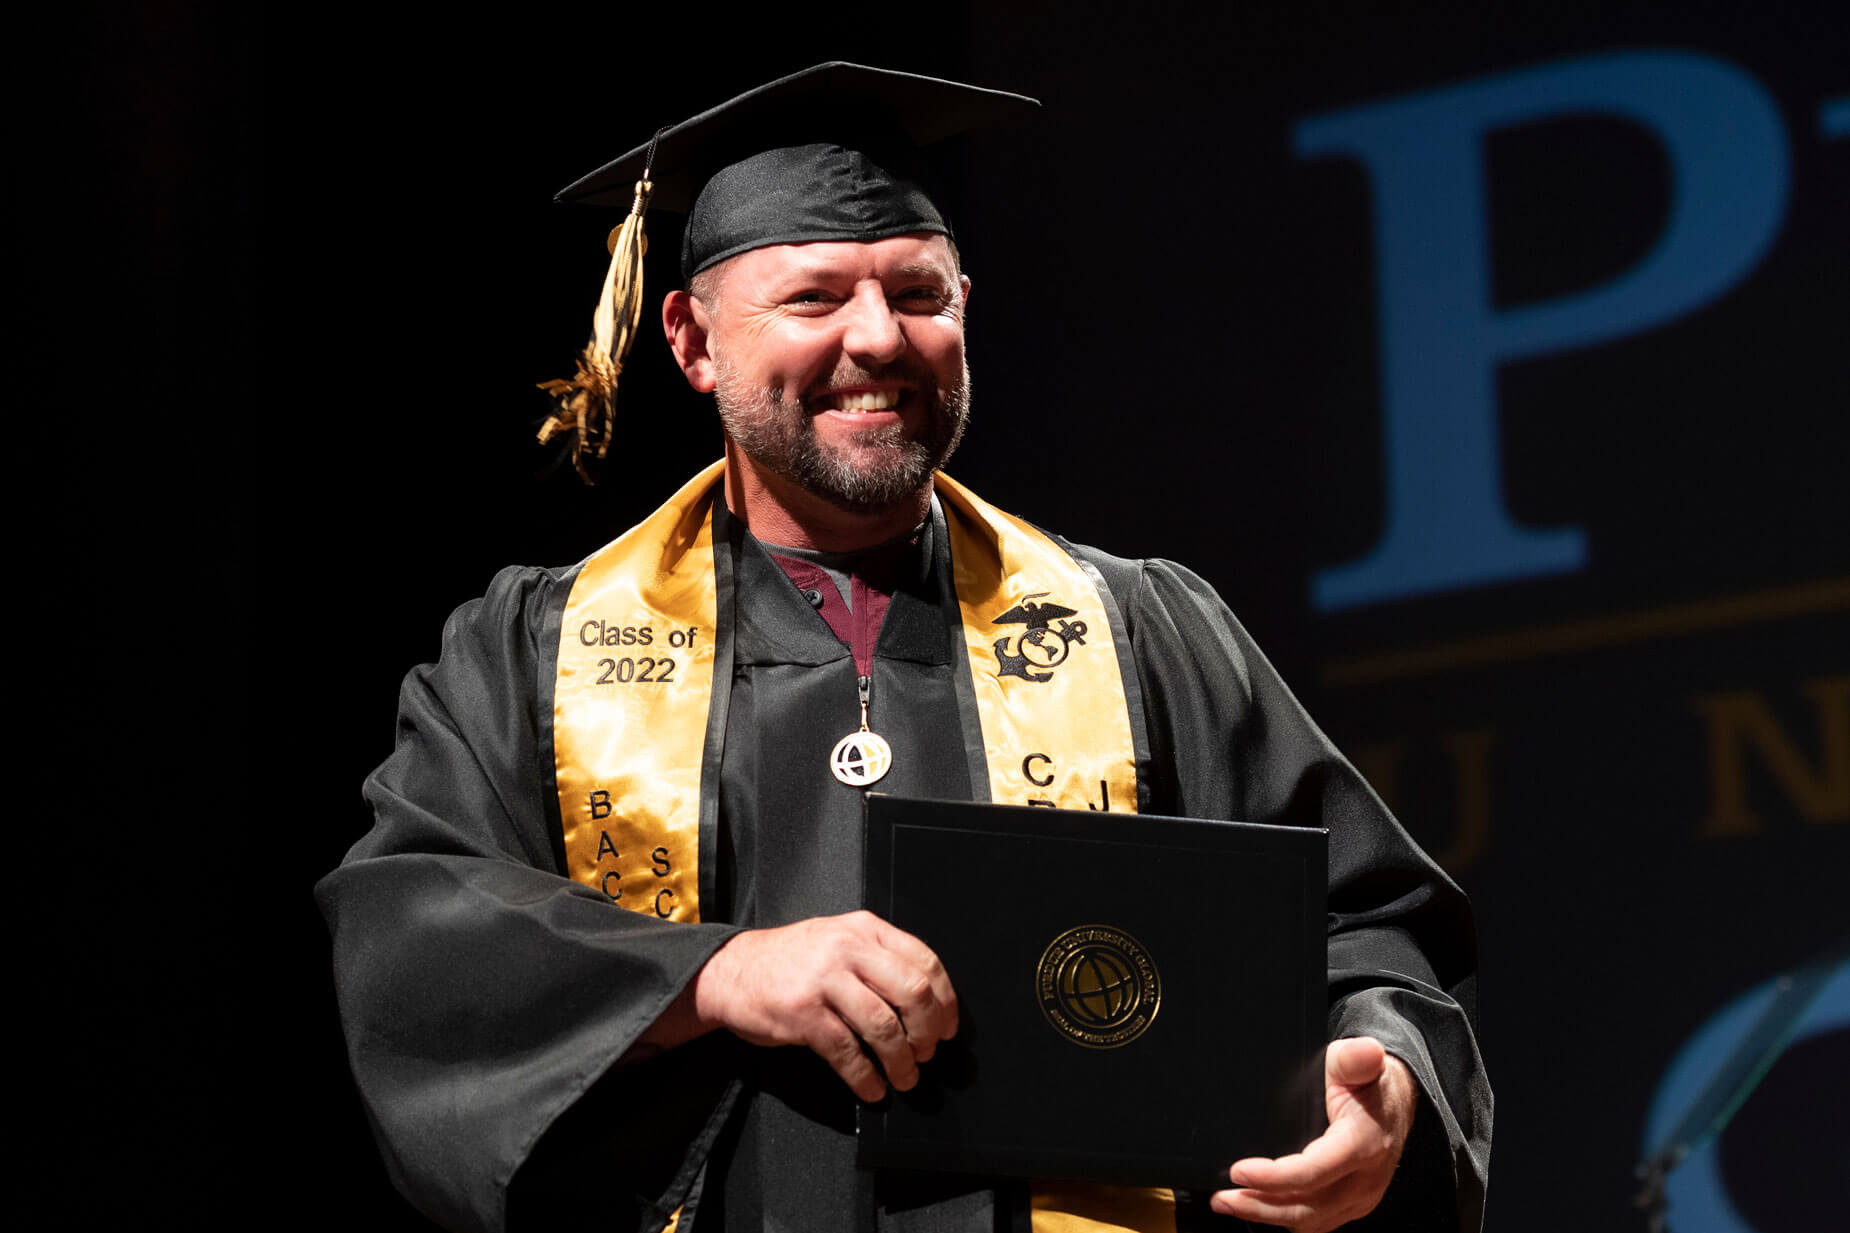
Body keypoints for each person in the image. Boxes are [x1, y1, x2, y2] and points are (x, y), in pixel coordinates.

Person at [317, 63, 1490, 1233]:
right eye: (813, 298)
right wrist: (712, 976)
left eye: (918, 295)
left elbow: (1360, 927)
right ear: (691, 340)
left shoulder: (1137, 628)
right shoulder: (536, 652)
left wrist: (1381, 1083)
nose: (878, 340)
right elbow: (419, 933)